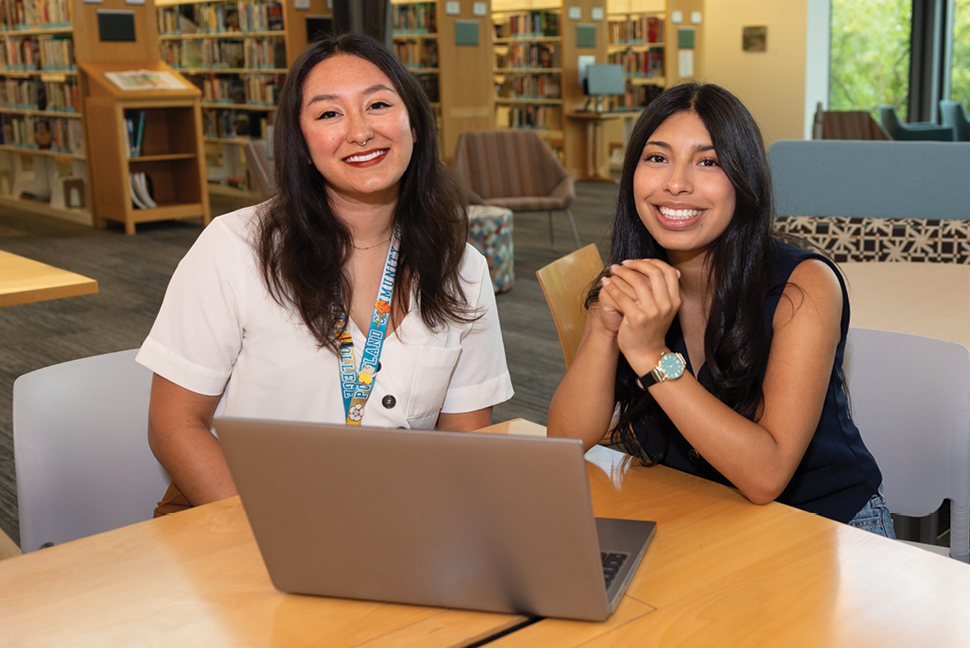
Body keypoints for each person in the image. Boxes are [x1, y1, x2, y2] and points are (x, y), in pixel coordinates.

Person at [137, 33, 514, 515]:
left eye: (378, 104)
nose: (360, 132)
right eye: (329, 113)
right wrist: (278, 538)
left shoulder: (462, 268)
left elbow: (467, 440)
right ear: (302, 142)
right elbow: (174, 426)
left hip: (390, 518)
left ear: (414, 124)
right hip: (240, 514)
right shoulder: (234, 248)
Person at [548, 83, 893, 537]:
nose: (676, 183)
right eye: (657, 158)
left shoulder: (804, 287)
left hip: (825, 527)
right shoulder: (636, 281)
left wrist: (652, 357)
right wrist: (601, 328)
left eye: (707, 162)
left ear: (743, 180)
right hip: (698, 514)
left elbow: (766, 475)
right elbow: (566, 440)